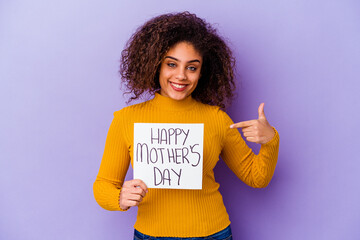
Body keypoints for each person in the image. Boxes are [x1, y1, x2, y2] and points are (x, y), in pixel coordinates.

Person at [93, 12, 279, 240]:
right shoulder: (126, 120)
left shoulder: (216, 119)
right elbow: (104, 184)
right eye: (171, 64)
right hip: (150, 236)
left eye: (192, 67)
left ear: (202, 72)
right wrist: (118, 198)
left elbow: (256, 177)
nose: (181, 76)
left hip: (213, 234)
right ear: (156, 65)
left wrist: (270, 140)